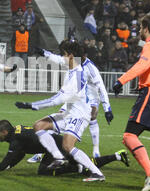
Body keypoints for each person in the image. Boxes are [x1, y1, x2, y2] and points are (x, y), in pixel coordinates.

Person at [15, 40, 106, 182]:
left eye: (63, 54)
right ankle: (58, 157)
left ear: (70, 56)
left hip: (79, 115)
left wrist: (33, 105)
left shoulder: (77, 76)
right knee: (39, 125)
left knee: (68, 145)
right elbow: (58, 59)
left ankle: (97, 173)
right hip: (68, 112)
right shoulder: (72, 66)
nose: (61, 57)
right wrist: (44, 53)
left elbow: (57, 99)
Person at [112, 15, 150, 191]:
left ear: (145, 28)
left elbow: (140, 66)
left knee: (129, 136)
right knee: (129, 136)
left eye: (140, 27)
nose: (138, 30)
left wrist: (121, 81)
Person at [0, 120, 129, 175]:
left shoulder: (15, 140)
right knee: (44, 171)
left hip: (57, 145)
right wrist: (10, 165)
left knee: (45, 170)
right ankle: (115, 156)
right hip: (53, 144)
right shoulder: (16, 134)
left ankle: (79, 168)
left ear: (4, 131)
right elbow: (19, 155)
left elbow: (4, 163)